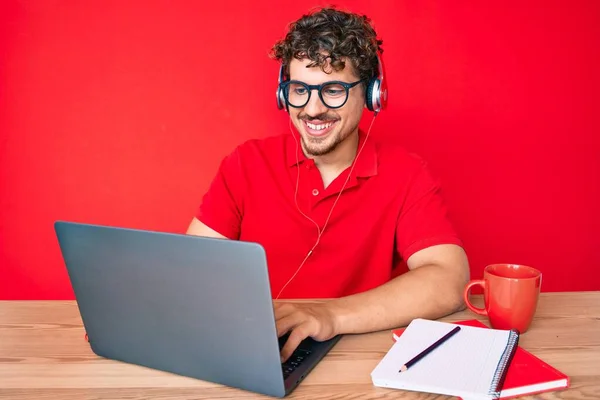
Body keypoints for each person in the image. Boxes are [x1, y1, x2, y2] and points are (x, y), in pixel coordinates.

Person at [186, 6, 470, 362]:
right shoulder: (246, 163)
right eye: (299, 89)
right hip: (259, 351)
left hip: (357, 355)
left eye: (333, 90)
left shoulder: (407, 173)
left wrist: (329, 316)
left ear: (371, 94)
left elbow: (449, 279)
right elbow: (190, 268)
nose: (313, 109)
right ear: (282, 93)